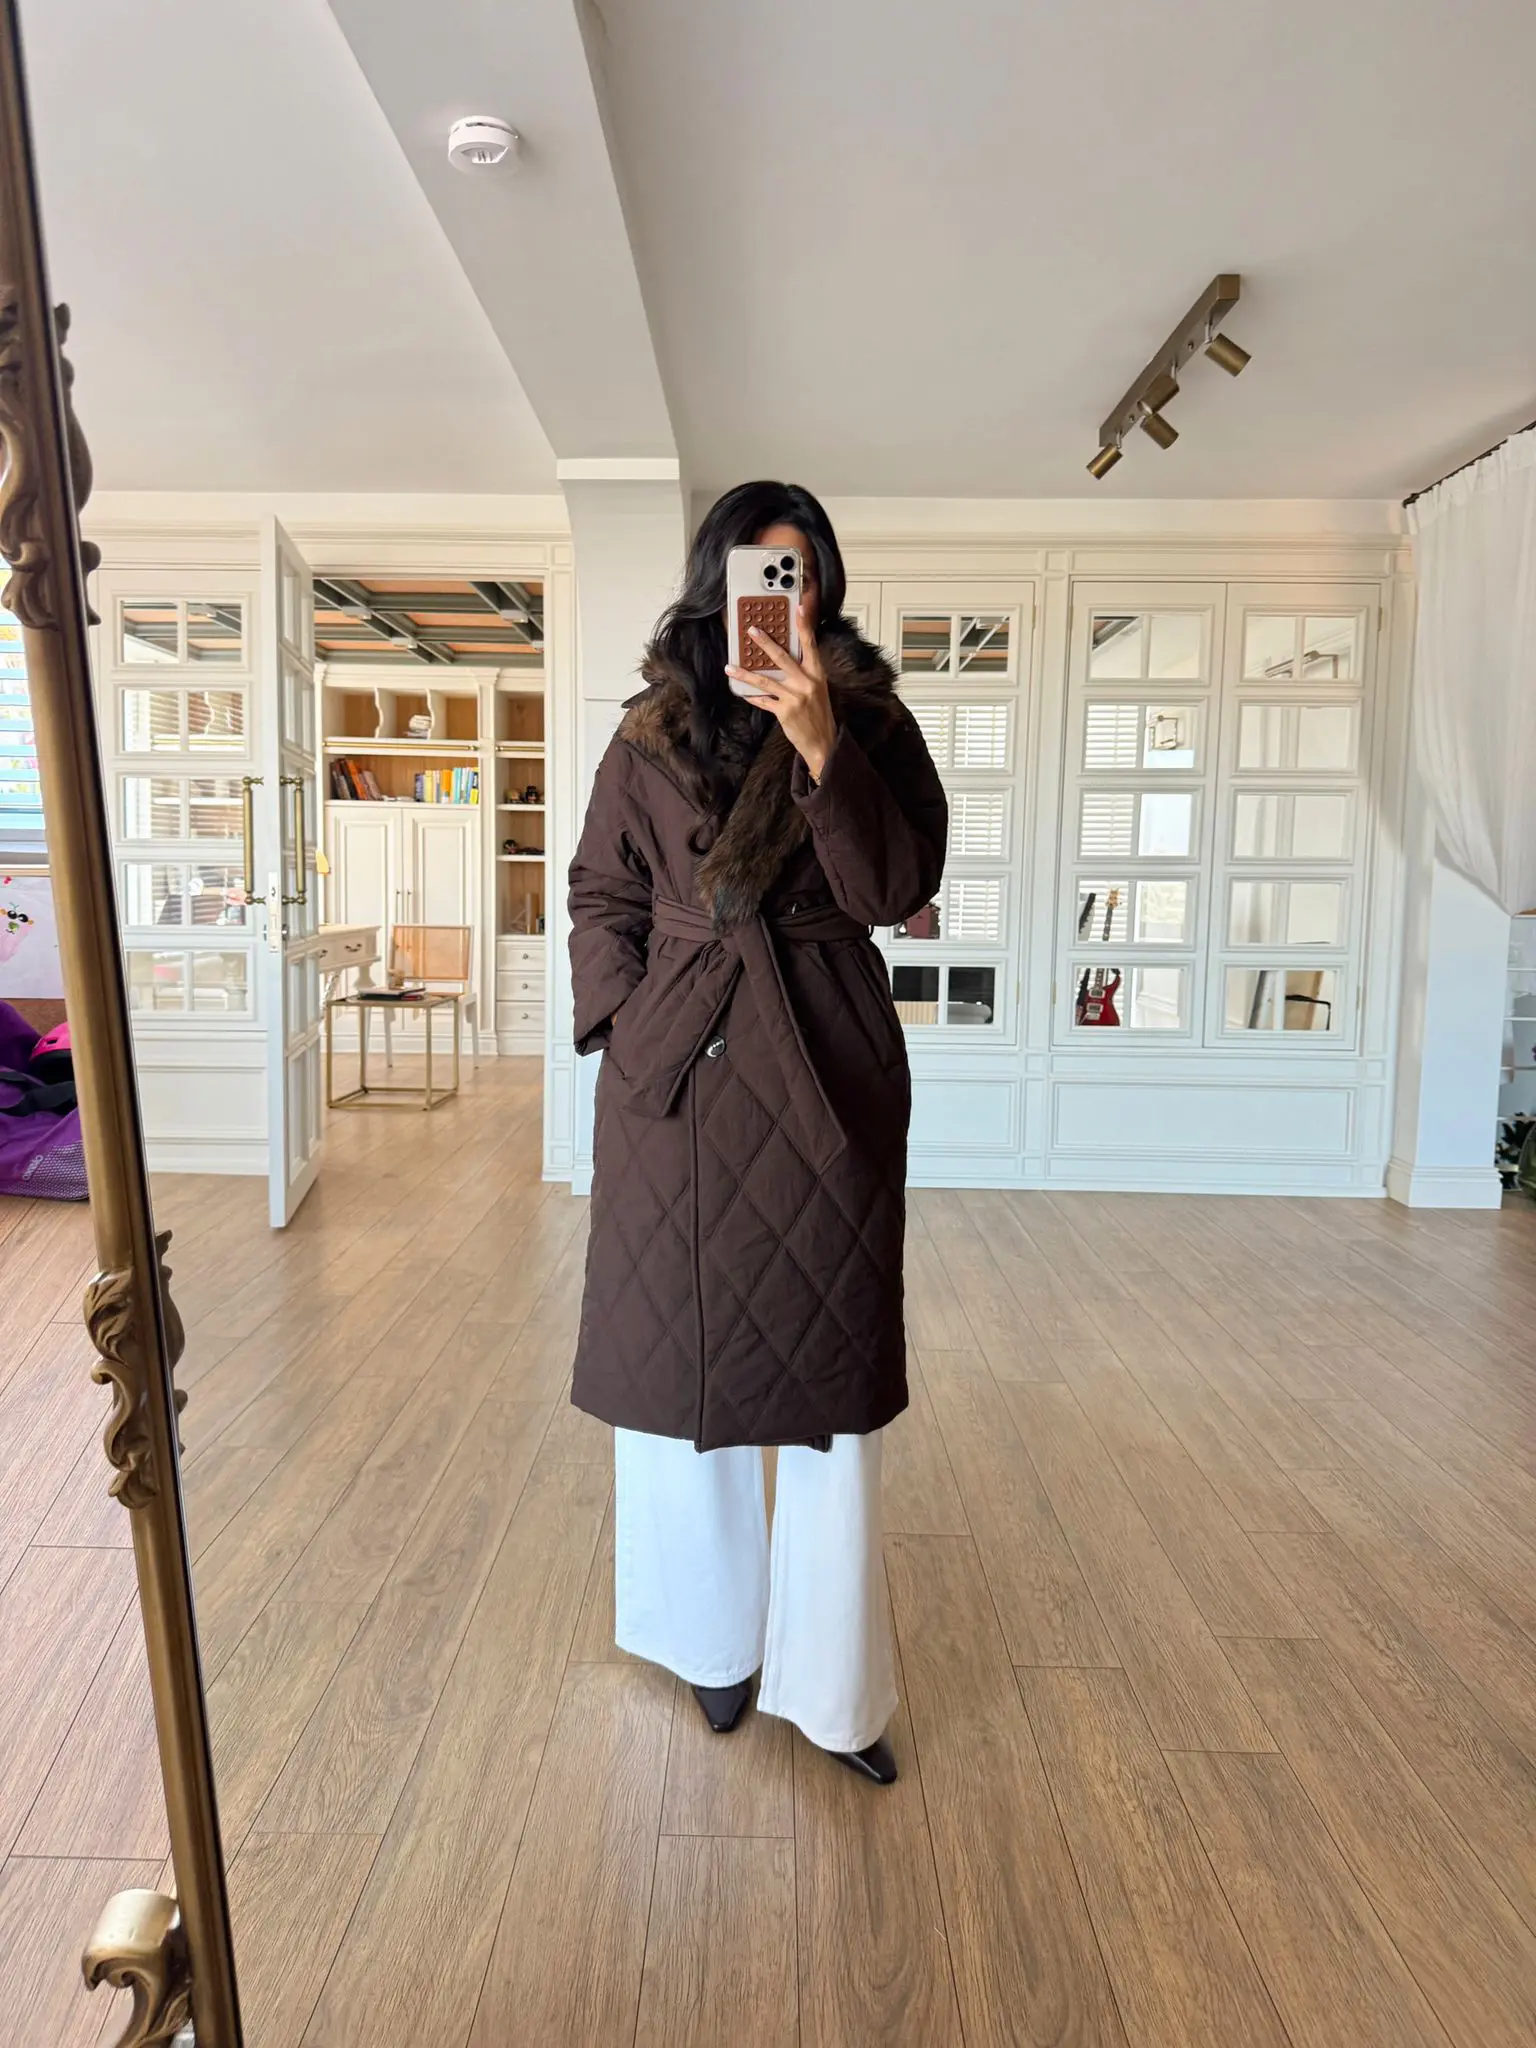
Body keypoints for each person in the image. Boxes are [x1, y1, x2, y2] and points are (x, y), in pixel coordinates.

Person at [567, 481, 947, 1783]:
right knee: (680, 1383)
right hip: (676, 1075)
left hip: (822, 1064)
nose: (783, 595)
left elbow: (896, 890)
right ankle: (710, 1646)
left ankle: (835, 1692)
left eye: (803, 571)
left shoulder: (874, 723)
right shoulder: (649, 730)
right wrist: (624, 1020)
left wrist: (825, 745)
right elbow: (601, 891)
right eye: (758, 570)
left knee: (830, 1406)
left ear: (825, 586)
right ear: (716, 584)